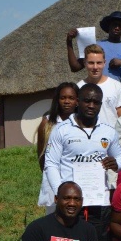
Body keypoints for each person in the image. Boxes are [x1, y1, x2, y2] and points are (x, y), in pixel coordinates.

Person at [44, 83, 121, 241]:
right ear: (77, 102)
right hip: (71, 203)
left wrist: (116, 163)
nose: (91, 105)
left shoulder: (108, 131)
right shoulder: (61, 130)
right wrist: (60, 192)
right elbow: (51, 164)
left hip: (99, 201)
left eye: (96, 102)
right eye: (87, 101)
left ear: (101, 104)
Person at [37, 83, 79, 213]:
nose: (67, 101)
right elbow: (41, 156)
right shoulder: (47, 122)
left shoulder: (82, 123)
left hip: (76, 177)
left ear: (78, 101)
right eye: (63, 98)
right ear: (57, 100)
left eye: (71, 98)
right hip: (53, 179)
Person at [66, 11, 121, 84]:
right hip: (95, 91)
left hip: (116, 92)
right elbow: (75, 67)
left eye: (120, 25)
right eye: (114, 24)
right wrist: (69, 41)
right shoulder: (95, 46)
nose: (117, 28)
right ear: (109, 26)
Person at [76, 44, 121, 126]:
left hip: (112, 136)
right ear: (85, 63)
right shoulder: (78, 87)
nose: (95, 67)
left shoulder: (117, 87)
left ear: (104, 63)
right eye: (91, 63)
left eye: (99, 63)